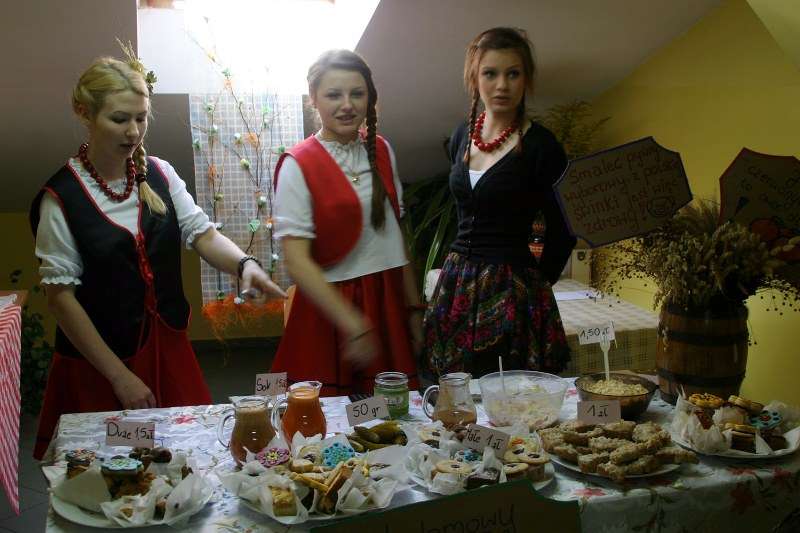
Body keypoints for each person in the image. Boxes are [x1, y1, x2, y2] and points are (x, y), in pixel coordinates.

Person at [29, 49, 285, 459]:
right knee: (116, 471)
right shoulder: (60, 198)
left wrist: (245, 265)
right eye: (119, 119)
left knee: (190, 459)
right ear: (84, 113)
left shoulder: (160, 173)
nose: (133, 131)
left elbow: (202, 233)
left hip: (168, 351)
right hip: (102, 363)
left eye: (141, 118)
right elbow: (61, 300)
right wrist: (119, 377)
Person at [422, 27, 576, 380]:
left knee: (508, 394)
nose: (502, 85)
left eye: (513, 74)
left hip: (511, 289)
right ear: (474, 78)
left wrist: (535, 286)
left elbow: (564, 228)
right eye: (490, 73)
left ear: (527, 79)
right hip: (456, 284)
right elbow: (464, 210)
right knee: (455, 393)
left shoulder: (542, 146)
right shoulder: (462, 135)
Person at [271, 49, 422, 396]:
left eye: (357, 94)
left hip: (385, 300)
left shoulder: (381, 150)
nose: (347, 105)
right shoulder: (297, 163)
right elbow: (296, 260)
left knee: (388, 414)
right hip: (331, 308)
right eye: (333, 95)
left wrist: (414, 310)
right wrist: (352, 323)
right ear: (313, 98)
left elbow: (395, 240)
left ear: (370, 98)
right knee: (327, 417)